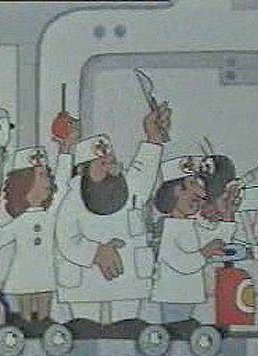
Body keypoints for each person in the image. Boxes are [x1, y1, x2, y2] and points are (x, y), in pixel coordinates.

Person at [52, 103, 171, 325]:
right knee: (84, 328)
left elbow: (144, 170)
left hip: (128, 281)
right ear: (85, 171)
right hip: (84, 284)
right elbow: (65, 238)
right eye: (102, 164)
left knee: (128, 327)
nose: (109, 168)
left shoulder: (129, 187)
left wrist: (153, 136)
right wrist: (96, 252)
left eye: (112, 162)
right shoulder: (72, 199)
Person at [0, 116, 77, 322]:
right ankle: (26, 327)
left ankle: (44, 327)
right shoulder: (20, 222)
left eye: (47, 175)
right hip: (23, 272)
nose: (48, 180)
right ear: (25, 183)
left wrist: (65, 151)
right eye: (41, 176)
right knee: (25, 314)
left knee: (44, 311)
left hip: (46, 271)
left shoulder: (50, 213)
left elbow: (62, 183)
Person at [151, 156, 238, 322]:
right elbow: (181, 263)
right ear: (177, 190)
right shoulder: (168, 229)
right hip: (173, 295)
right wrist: (205, 252)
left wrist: (228, 211)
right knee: (176, 327)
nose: (200, 194)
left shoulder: (190, 225)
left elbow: (218, 239)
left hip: (188, 294)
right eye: (192, 184)